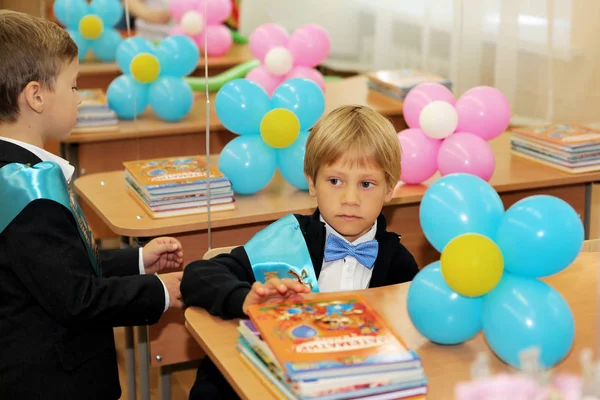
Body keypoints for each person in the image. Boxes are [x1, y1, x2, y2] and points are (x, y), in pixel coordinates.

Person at [0, 10, 184, 400]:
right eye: (72, 86)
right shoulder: (26, 192)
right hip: (51, 379)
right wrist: (160, 290)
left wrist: (135, 262)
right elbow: (78, 300)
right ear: (35, 96)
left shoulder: (13, 171)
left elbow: (54, 265)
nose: (79, 97)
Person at [181, 104, 420, 399]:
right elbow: (198, 275)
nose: (350, 199)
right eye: (335, 181)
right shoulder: (288, 238)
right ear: (312, 183)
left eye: (367, 184)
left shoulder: (399, 263)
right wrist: (245, 299)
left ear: (389, 189)